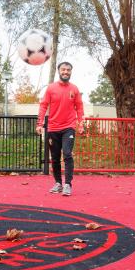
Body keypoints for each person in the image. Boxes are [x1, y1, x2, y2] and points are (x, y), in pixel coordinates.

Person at [36, 62, 85, 196]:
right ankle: (58, 183)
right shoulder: (51, 88)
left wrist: (81, 122)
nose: (66, 72)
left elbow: (79, 107)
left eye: (68, 70)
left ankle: (68, 184)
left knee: (67, 153)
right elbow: (43, 105)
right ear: (59, 71)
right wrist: (39, 123)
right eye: (63, 69)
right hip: (53, 127)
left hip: (68, 127)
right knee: (55, 158)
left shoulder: (74, 89)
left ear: (71, 72)